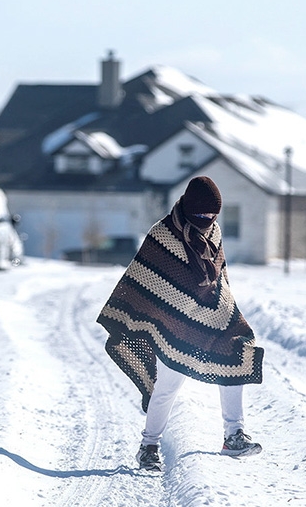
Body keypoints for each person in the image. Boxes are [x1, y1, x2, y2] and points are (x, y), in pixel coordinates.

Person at [97, 176, 264, 471]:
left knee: (237, 353)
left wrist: (222, 307)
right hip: (171, 323)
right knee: (167, 387)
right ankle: (149, 446)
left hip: (211, 316)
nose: (207, 221)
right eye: (202, 215)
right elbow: (145, 278)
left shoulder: (214, 231)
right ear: (189, 208)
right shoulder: (162, 233)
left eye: (213, 216)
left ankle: (233, 435)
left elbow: (219, 276)